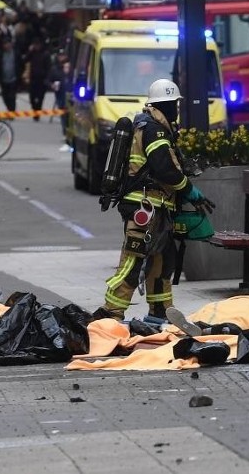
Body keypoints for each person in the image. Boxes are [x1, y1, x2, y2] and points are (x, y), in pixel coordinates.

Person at [96, 79, 212, 322]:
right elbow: (164, 169)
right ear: (166, 105)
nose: (177, 110)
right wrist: (190, 189)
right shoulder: (153, 130)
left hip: (157, 207)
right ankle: (110, 313)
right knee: (133, 261)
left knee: (163, 260)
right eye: (174, 105)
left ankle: (160, 311)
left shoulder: (154, 126)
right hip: (144, 207)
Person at [24, 37, 49, 121]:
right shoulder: (32, 53)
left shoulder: (45, 54)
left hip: (42, 79)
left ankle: (37, 112)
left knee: (40, 98)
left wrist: (47, 78)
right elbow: (25, 59)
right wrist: (30, 51)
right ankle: (35, 110)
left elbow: (48, 67)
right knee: (32, 97)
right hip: (33, 78)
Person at [0, 37, 18, 112]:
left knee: (12, 96)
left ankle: (12, 110)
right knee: (5, 96)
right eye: (5, 44)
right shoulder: (0, 54)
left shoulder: (16, 53)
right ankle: (8, 108)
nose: (6, 46)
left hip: (13, 78)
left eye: (8, 44)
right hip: (3, 79)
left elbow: (20, 64)